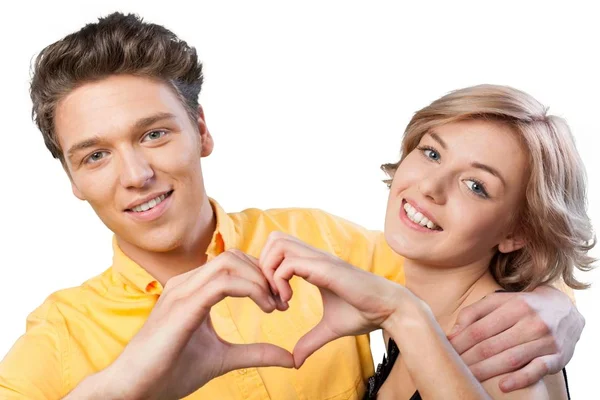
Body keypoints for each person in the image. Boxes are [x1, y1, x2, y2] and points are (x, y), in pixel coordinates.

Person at [0, 12, 585, 400]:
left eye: (154, 134)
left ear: (200, 130)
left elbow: (461, 269)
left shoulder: (321, 243)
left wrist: (549, 305)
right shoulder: (58, 338)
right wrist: (124, 385)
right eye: (95, 155)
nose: (136, 175)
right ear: (73, 179)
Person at [258, 84, 596, 399]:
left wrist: (401, 311)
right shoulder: (407, 324)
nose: (430, 187)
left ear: (516, 233)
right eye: (432, 153)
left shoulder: (506, 354)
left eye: (475, 186)